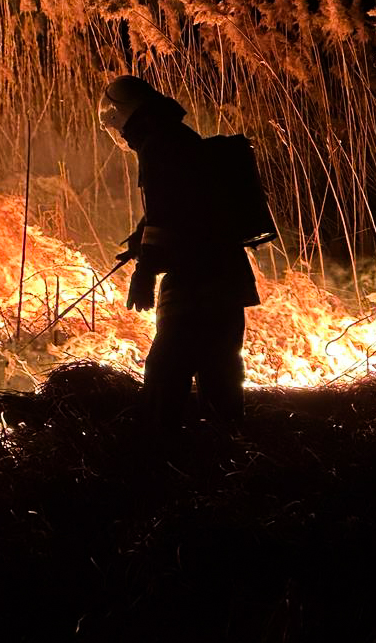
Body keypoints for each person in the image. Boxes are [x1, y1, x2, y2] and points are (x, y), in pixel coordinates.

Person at [98, 75, 260, 432]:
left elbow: (168, 216)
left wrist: (143, 274)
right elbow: (182, 203)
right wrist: (142, 235)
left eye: (115, 125)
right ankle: (226, 465)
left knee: (164, 378)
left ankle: (160, 467)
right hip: (225, 280)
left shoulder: (157, 144)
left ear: (124, 115)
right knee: (221, 379)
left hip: (195, 285)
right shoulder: (178, 137)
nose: (118, 134)